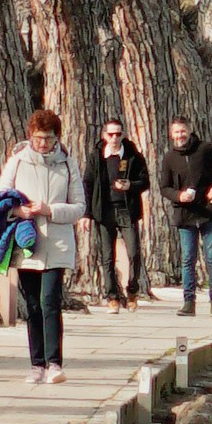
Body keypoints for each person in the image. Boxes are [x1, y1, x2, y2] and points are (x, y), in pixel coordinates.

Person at [0, 100, 73, 378]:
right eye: (38, 138)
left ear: (56, 138)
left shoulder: (67, 164)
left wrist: (50, 210)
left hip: (57, 243)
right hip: (27, 243)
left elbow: (79, 206)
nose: (43, 143)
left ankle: (54, 363)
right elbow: (0, 198)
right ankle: (36, 364)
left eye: (48, 138)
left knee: (50, 301)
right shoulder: (17, 161)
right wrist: (19, 211)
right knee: (33, 305)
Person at [162, 108, 212, 312]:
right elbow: (164, 187)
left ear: (189, 130)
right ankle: (188, 302)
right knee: (188, 259)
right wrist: (179, 196)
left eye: (183, 131)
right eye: (176, 132)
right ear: (171, 134)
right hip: (185, 215)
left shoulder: (205, 149)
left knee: (211, 256)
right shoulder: (169, 158)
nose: (180, 136)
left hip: (209, 212)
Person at [87, 116, 150, 305]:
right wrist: (86, 214)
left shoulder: (132, 155)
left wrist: (130, 185)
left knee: (133, 252)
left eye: (118, 134)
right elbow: (88, 184)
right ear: (104, 135)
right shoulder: (97, 156)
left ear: (122, 135)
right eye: (111, 134)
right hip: (104, 211)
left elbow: (145, 181)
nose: (114, 138)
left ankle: (132, 290)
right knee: (107, 256)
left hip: (126, 210)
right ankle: (112, 296)